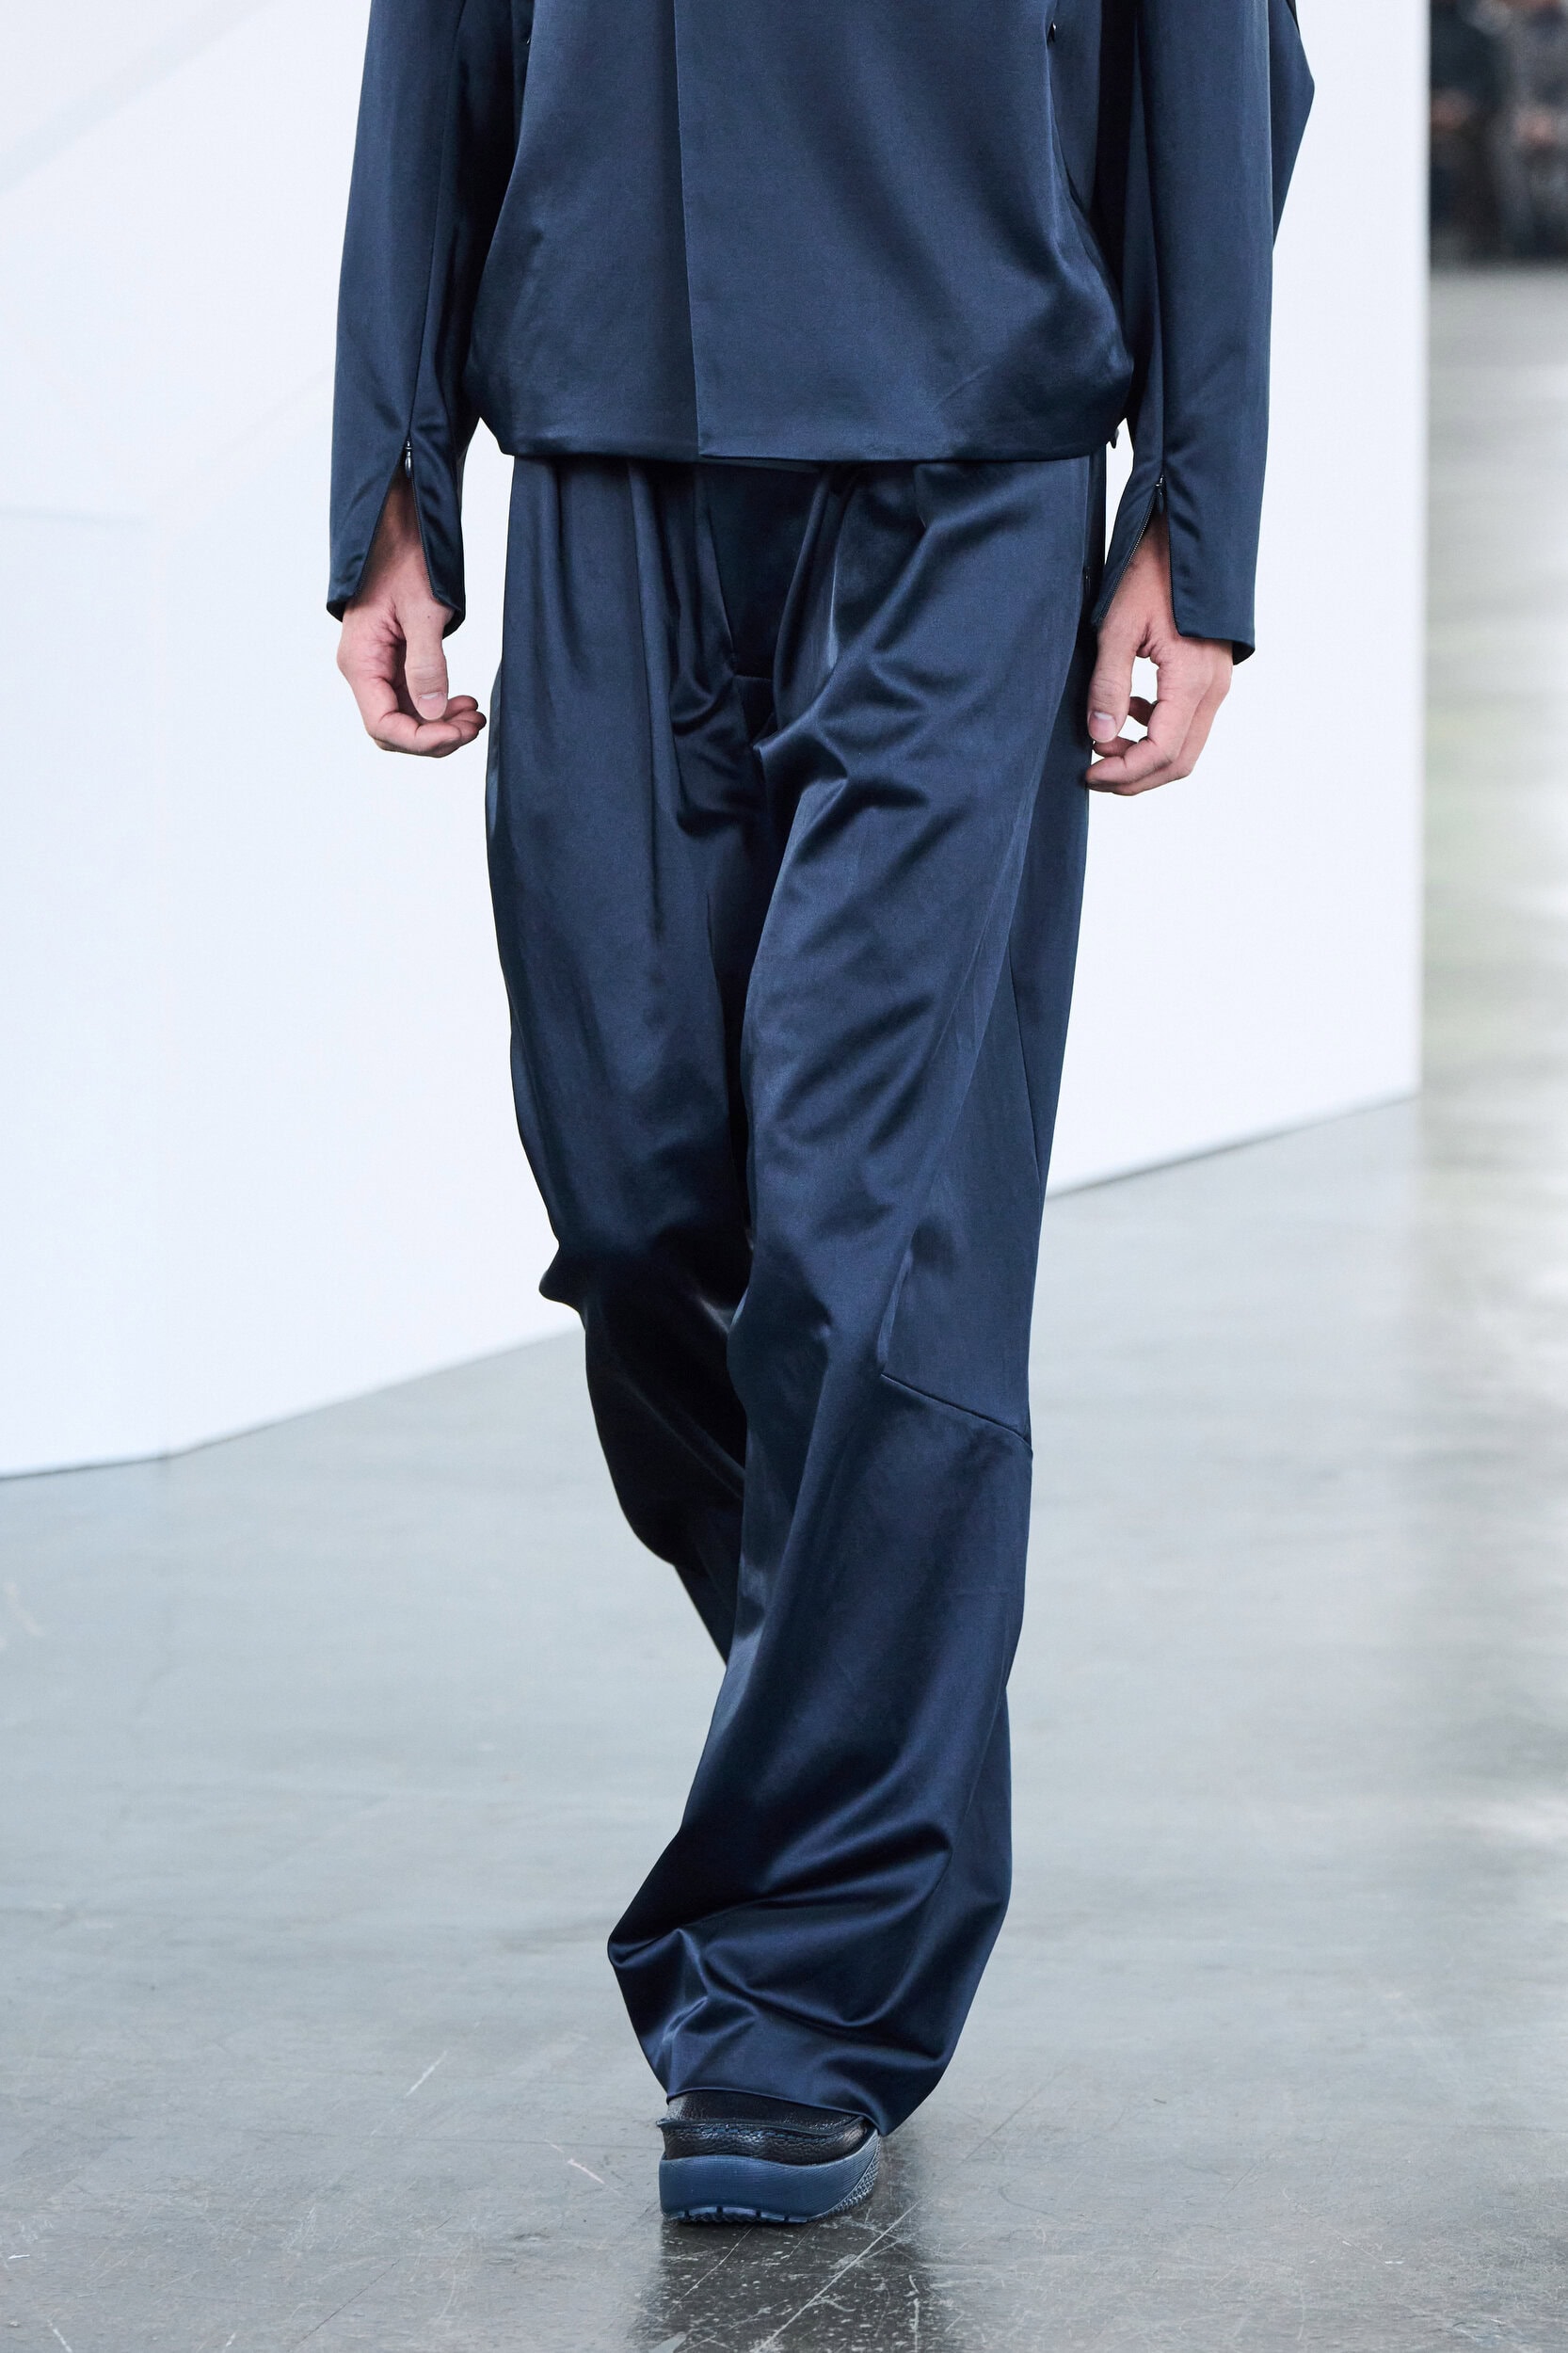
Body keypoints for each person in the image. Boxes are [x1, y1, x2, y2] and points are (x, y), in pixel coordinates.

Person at [330, 0, 1312, 2226]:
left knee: (870, 1241)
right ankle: (873, 1687)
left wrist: (1197, 502)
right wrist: (391, 451)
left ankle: (803, 1986)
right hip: (605, 422)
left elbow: (1214, 48)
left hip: (963, 452)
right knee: (635, 1201)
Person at [1432, 0, 1506, 257]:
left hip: (1470, 122)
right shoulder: (1415, 35)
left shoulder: (1477, 34)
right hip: (1423, 120)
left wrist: (1463, 106)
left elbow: (1490, 87)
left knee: (1481, 153)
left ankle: (1479, 237)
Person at [1495, 0, 1568, 254]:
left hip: (1562, 112)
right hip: (1527, 115)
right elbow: (1514, 81)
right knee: (1503, 140)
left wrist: (1555, 121)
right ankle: (1523, 232)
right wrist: (1529, 116)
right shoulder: (1513, 30)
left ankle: (1561, 226)